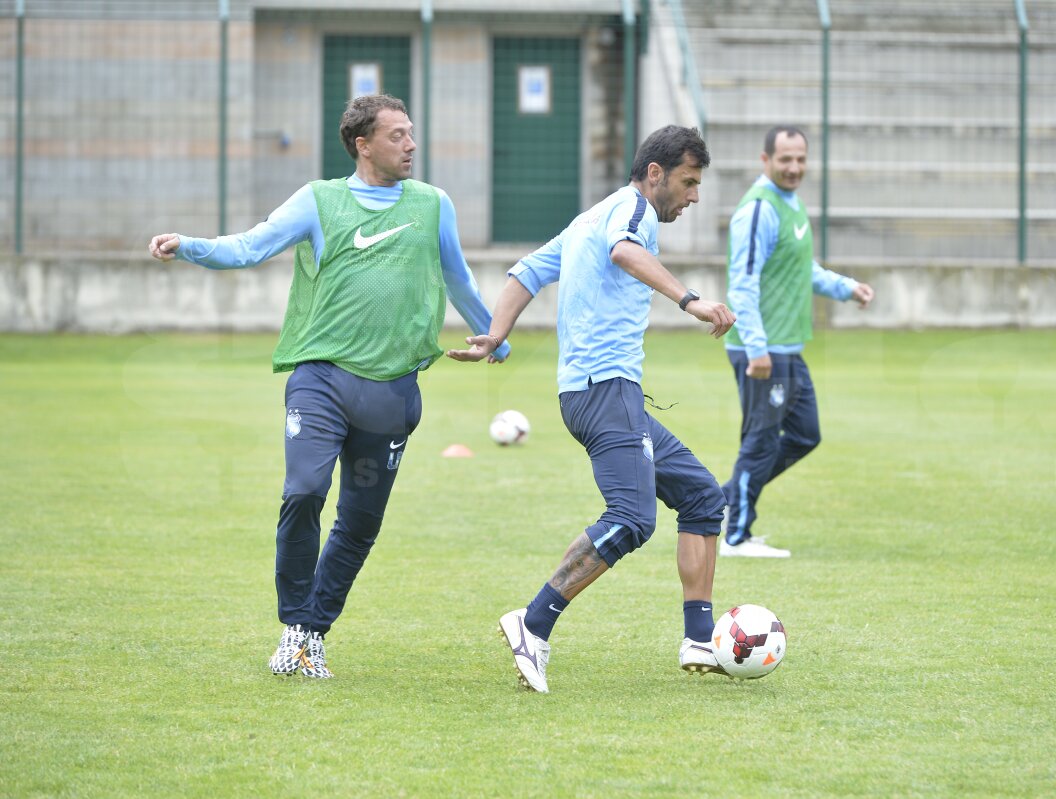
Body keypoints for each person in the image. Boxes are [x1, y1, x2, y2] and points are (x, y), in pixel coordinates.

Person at [148, 94, 511, 678]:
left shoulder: (433, 204)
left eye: (411, 133)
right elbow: (250, 246)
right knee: (304, 490)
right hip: (321, 382)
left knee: (360, 522)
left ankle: (312, 634)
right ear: (363, 145)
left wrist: (495, 336)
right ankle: (295, 624)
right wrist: (189, 245)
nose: (411, 145)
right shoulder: (319, 200)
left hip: (391, 394)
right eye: (396, 136)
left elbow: (457, 276)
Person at [447, 125, 736, 693]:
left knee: (703, 497)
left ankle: (700, 639)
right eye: (688, 182)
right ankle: (533, 623)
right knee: (632, 518)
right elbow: (624, 251)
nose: (694, 196)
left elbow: (527, 271)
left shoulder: (591, 216)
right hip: (605, 390)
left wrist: (495, 334)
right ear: (655, 173)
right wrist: (692, 301)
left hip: (596, 393)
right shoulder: (633, 213)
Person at [720, 125, 874, 558]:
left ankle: (726, 497)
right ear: (765, 160)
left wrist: (846, 287)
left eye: (801, 159)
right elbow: (743, 282)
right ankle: (735, 536)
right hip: (762, 349)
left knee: (806, 434)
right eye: (785, 159)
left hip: (787, 346)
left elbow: (801, 269)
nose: (794, 167)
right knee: (761, 440)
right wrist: (756, 347)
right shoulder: (758, 210)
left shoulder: (792, 203)